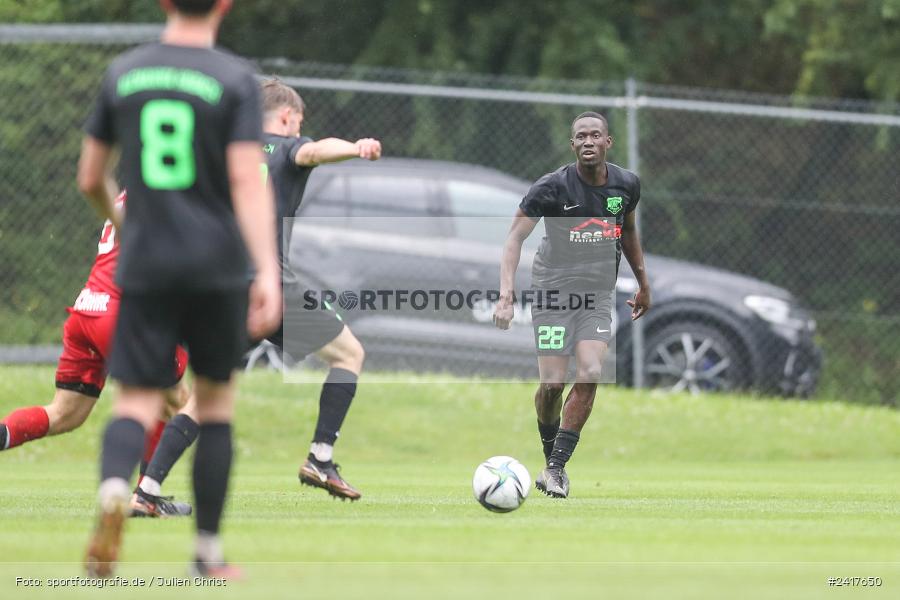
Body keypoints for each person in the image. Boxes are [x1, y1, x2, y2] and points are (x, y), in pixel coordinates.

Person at [76, 0, 281, 579]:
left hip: (145, 263)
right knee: (214, 407)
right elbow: (245, 178)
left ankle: (117, 488)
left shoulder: (126, 72)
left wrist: (124, 224)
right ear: (223, 6)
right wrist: (265, 269)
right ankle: (208, 553)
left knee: (135, 401)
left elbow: (90, 177)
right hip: (216, 264)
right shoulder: (234, 78)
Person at [135, 78, 381, 506]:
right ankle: (320, 457)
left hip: (220, 289)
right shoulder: (287, 147)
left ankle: (147, 489)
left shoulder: (229, 152)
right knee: (349, 355)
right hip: (270, 286)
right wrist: (355, 147)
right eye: (298, 121)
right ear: (287, 117)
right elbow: (315, 151)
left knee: (203, 396)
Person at [0, 192, 191, 516]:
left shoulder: (131, 190)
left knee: (66, 414)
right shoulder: (172, 191)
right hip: (120, 313)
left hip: (87, 308)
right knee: (180, 402)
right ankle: (146, 495)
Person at [492, 111, 651, 499]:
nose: (588, 142)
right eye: (581, 136)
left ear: (608, 142)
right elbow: (513, 239)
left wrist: (644, 282)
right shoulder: (551, 188)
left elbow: (628, 231)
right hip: (552, 293)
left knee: (592, 370)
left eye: (596, 135)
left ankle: (557, 468)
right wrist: (506, 295)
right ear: (573, 144)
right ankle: (550, 457)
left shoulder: (626, 185)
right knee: (551, 385)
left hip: (596, 295)